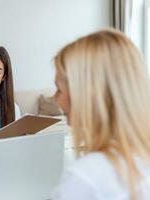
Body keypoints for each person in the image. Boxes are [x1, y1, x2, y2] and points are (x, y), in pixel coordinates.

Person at [51, 29, 150, 199]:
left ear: (87, 95)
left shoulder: (85, 177)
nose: (55, 99)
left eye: (59, 90)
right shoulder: (141, 159)